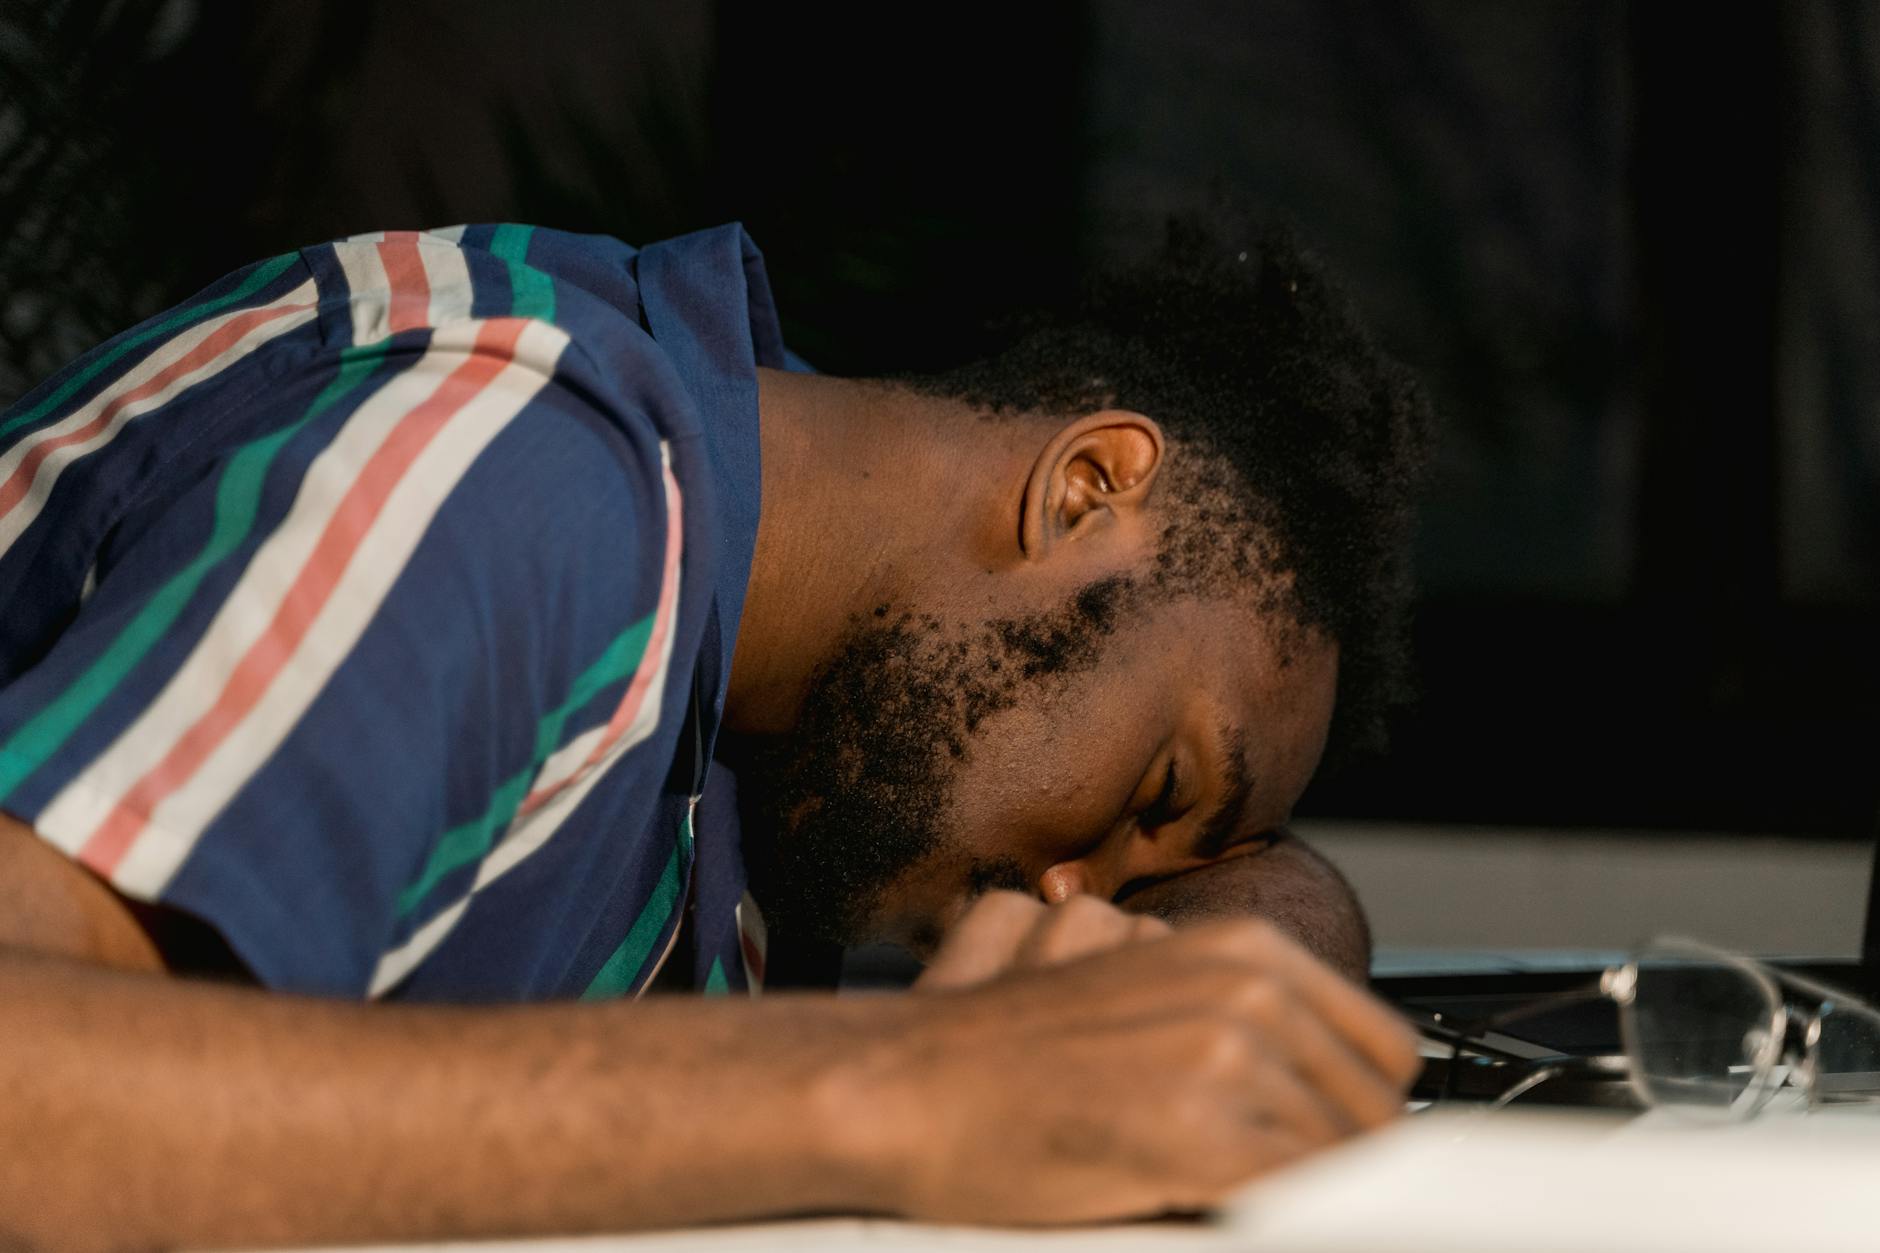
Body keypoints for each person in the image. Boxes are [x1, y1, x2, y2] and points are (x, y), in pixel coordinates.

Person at [0, 215, 1430, 1249]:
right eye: (1157, 789)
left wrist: (1238, 944)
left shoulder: (764, 668)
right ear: (1085, 489)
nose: (1079, 892)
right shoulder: (517, 477)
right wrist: (905, 1089)